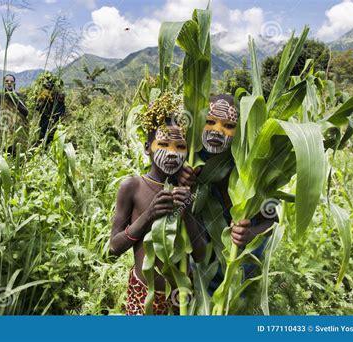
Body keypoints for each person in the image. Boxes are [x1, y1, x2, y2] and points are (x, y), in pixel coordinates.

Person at [110, 97, 206, 315]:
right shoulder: (132, 187)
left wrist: (185, 212)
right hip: (144, 296)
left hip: (181, 297)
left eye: (180, 146)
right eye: (163, 144)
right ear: (147, 148)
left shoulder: (189, 190)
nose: (172, 153)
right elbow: (113, 248)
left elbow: (200, 255)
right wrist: (149, 215)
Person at [178, 94, 276, 294]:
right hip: (200, 258)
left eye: (228, 126)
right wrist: (179, 175)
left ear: (239, 132)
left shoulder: (249, 166)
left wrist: (251, 235)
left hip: (239, 262)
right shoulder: (190, 156)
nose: (217, 131)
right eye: (210, 122)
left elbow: (272, 221)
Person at [29, 71, 66, 145]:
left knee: (53, 139)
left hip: (54, 122)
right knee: (42, 139)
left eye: (51, 85)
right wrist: (43, 101)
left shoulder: (58, 96)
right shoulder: (42, 96)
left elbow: (61, 111)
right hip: (44, 122)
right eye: (47, 86)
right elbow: (37, 108)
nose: (48, 88)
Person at [0, 74, 29, 153]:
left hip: (17, 130)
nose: (9, 83)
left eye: (11, 81)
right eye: (7, 81)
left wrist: (14, 98)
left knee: (16, 150)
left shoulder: (20, 96)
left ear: (14, 84)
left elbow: (26, 113)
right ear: (4, 83)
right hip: (4, 129)